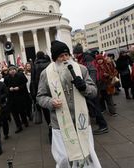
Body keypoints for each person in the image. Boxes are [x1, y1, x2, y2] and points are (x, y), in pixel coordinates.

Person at [37, 40, 101, 168]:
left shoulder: (81, 69)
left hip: (81, 121)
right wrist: (50, 102)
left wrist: (85, 88)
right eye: (61, 56)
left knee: (86, 154)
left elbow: (94, 92)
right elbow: (40, 96)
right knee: (64, 158)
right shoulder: (46, 74)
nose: (65, 59)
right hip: (60, 124)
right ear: (55, 59)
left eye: (67, 55)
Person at [73, 45, 108, 135]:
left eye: (75, 53)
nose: (74, 55)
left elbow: (92, 70)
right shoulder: (83, 58)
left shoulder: (86, 58)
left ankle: (103, 125)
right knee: (94, 105)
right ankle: (100, 122)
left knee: (95, 105)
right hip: (91, 84)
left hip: (92, 85)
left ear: (77, 53)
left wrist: (90, 84)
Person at [30, 51, 52, 142]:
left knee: (46, 111)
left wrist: (34, 95)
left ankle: (50, 129)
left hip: (41, 91)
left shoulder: (34, 66)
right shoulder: (50, 64)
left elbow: (33, 81)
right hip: (52, 89)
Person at [4, 65, 29, 133]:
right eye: (10, 70)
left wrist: (19, 87)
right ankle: (18, 126)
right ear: (9, 71)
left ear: (16, 70)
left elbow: (24, 83)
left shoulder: (20, 75)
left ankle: (25, 121)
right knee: (14, 113)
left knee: (22, 111)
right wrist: (9, 89)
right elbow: (5, 87)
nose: (12, 71)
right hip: (11, 98)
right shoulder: (6, 78)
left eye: (13, 69)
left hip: (20, 96)